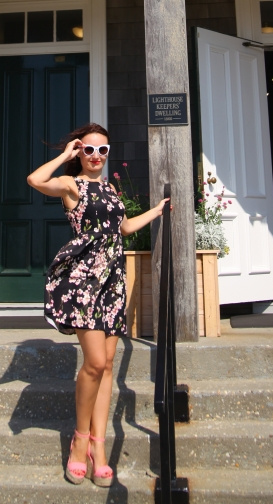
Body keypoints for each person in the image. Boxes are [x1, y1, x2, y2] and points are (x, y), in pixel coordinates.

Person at [26, 122, 170, 486]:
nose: (95, 156)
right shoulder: (71, 185)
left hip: (113, 281)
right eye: (88, 150)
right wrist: (65, 155)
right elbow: (35, 179)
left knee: (106, 365)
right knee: (93, 363)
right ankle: (79, 440)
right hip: (84, 283)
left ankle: (99, 447)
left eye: (102, 150)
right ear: (80, 152)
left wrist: (155, 212)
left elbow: (122, 229)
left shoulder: (109, 187)